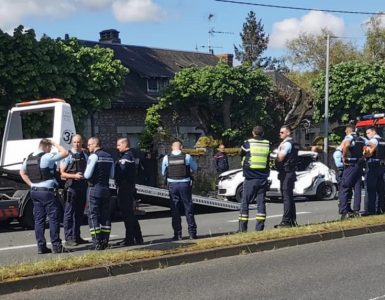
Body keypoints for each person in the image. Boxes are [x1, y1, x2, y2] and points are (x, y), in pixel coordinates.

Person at [19, 138, 68, 254]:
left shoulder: (29, 158)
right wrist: (55, 143)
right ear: (46, 146)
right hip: (47, 192)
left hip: (34, 192)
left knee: (39, 220)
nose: (50, 150)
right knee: (53, 218)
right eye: (49, 148)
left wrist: (31, 184)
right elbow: (65, 153)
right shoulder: (46, 157)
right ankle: (56, 246)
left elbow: (22, 172)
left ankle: (41, 247)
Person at [161, 141, 198, 240]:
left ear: (172, 148)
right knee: (188, 207)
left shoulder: (166, 158)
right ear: (181, 147)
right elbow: (195, 168)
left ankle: (177, 234)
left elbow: (163, 172)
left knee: (175, 209)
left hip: (172, 185)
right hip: (185, 184)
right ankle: (192, 233)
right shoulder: (187, 157)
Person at [83, 137, 114, 250]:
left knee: (93, 215)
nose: (88, 147)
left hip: (94, 188)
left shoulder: (93, 156)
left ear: (95, 144)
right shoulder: (109, 157)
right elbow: (112, 174)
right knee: (105, 215)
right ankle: (105, 241)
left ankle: (96, 242)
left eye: (89, 144)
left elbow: (87, 175)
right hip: (106, 189)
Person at [238, 126, 271, 232]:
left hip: (250, 177)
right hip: (263, 177)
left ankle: (242, 229)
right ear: (263, 133)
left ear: (253, 133)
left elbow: (241, 153)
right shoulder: (268, 144)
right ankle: (259, 228)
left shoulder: (247, 143)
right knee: (261, 202)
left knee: (245, 202)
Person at [60, 134, 89, 246]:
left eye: (78, 142)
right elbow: (62, 173)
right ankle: (68, 238)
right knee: (69, 213)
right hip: (71, 187)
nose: (76, 144)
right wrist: (74, 176)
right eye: (75, 142)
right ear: (72, 143)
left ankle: (77, 236)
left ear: (82, 143)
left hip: (82, 187)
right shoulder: (68, 155)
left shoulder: (85, 155)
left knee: (79, 213)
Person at [115, 138, 144, 246]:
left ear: (124, 144)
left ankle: (130, 239)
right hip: (129, 187)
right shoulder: (131, 156)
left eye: (118, 145)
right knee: (130, 214)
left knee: (127, 215)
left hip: (124, 188)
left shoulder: (125, 158)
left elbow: (121, 174)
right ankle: (138, 237)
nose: (117, 147)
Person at [339, 125, 366, 220]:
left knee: (344, 187)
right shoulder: (362, 139)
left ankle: (344, 211)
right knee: (357, 188)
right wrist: (363, 157)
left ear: (347, 131)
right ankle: (356, 211)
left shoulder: (349, 137)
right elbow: (367, 148)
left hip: (350, 165)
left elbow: (346, 145)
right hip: (359, 165)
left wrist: (344, 157)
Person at [274, 126, 298, 228]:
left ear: (288, 133)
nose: (280, 134)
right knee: (289, 197)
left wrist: (275, 156)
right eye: (280, 132)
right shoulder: (292, 143)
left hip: (286, 172)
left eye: (282, 132)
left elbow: (280, 157)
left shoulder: (287, 144)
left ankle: (286, 221)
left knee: (286, 197)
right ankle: (292, 220)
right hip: (290, 172)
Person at [362, 127, 385, 215]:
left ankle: (370, 210)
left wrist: (365, 153)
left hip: (373, 166)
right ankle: (380, 209)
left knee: (370, 189)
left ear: (373, 132)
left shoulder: (374, 140)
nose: (367, 135)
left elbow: (368, 151)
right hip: (382, 167)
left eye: (368, 133)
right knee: (381, 190)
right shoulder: (383, 140)